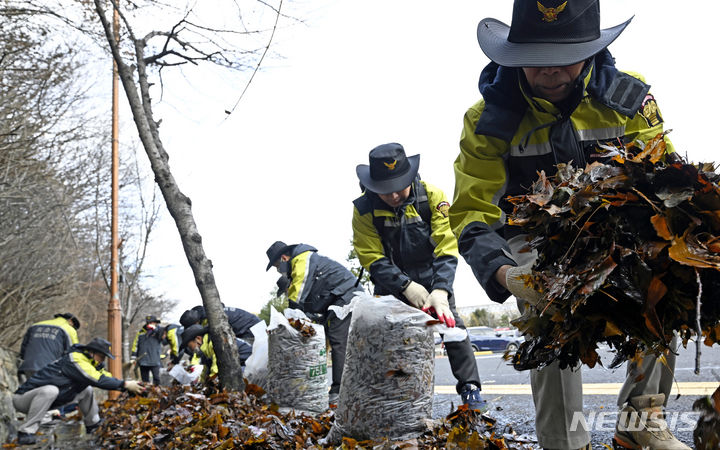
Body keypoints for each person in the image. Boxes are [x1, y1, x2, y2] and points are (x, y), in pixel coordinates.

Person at [449, 1, 687, 448]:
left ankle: (642, 423)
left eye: (563, 60)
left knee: (664, 281)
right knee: (549, 304)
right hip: (530, 240)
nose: (549, 73)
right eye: (534, 62)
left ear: (591, 50)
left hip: (617, 229)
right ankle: (563, 441)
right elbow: (471, 212)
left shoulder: (629, 101)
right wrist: (506, 275)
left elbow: (664, 177)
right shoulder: (486, 123)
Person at [351, 143, 486, 411]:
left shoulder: (432, 196)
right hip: (393, 285)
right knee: (393, 339)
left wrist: (441, 290)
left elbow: (447, 244)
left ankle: (470, 387)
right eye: (384, 190)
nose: (393, 195)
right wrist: (405, 286)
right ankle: (396, 397)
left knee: (453, 327)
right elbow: (371, 257)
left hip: (433, 276)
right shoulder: (364, 210)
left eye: (399, 186)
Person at [265, 240, 358, 405]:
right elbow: (313, 305)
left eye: (277, 266)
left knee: (338, 340)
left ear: (284, 258)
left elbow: (298, 290)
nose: (279, 271)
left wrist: (291, 313)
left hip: (347, 295)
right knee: (329, 340)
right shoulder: (300, 265)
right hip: (336, 299)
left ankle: (339, 391)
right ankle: (334, 387)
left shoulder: (302, 258)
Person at [12, 337, 144, 445]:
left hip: (51, 401)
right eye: (101, 356)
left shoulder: (92, 364)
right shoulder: (75, 359)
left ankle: (93, 425)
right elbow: (98, 379)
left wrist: (126, 386)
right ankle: (26, 432)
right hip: (23, 399)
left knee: (86, 389)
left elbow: (107, 377)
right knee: (50, 390)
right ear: (91, 352)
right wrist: (125, 384)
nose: (103, 360)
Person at [18, 313, 80, 381]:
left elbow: (24, 348)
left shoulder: (36, 325)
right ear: (70, 321)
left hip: (28, 366)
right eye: (74, 326)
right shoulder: (69, 330)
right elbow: (73, 353)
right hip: (49, 370)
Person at [178, 324, 252, 381]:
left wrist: (211, 384)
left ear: (198, 338)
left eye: (190, 346)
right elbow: (207, 368)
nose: (190, 350)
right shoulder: (206, 346)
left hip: (248, 362)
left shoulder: (215, 342)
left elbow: (216, 370)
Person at [179, 304, 260, 344]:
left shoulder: (210, 319)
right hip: (252, 326)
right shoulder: (209, 311)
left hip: (251, 330)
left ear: (195, 322)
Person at [131, 315, 164, 385]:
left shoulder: (159, 331)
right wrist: (133, 357)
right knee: (145, 381)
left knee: (157, 379)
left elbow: (163, 339)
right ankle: (146, 394)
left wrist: (154, 329)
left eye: (152, 322)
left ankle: (158, 393)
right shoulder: (141, 333)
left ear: (155, 323)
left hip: (155, 360)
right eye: (148, 322)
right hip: (143, 360)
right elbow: (135, 345)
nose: (149, 324)